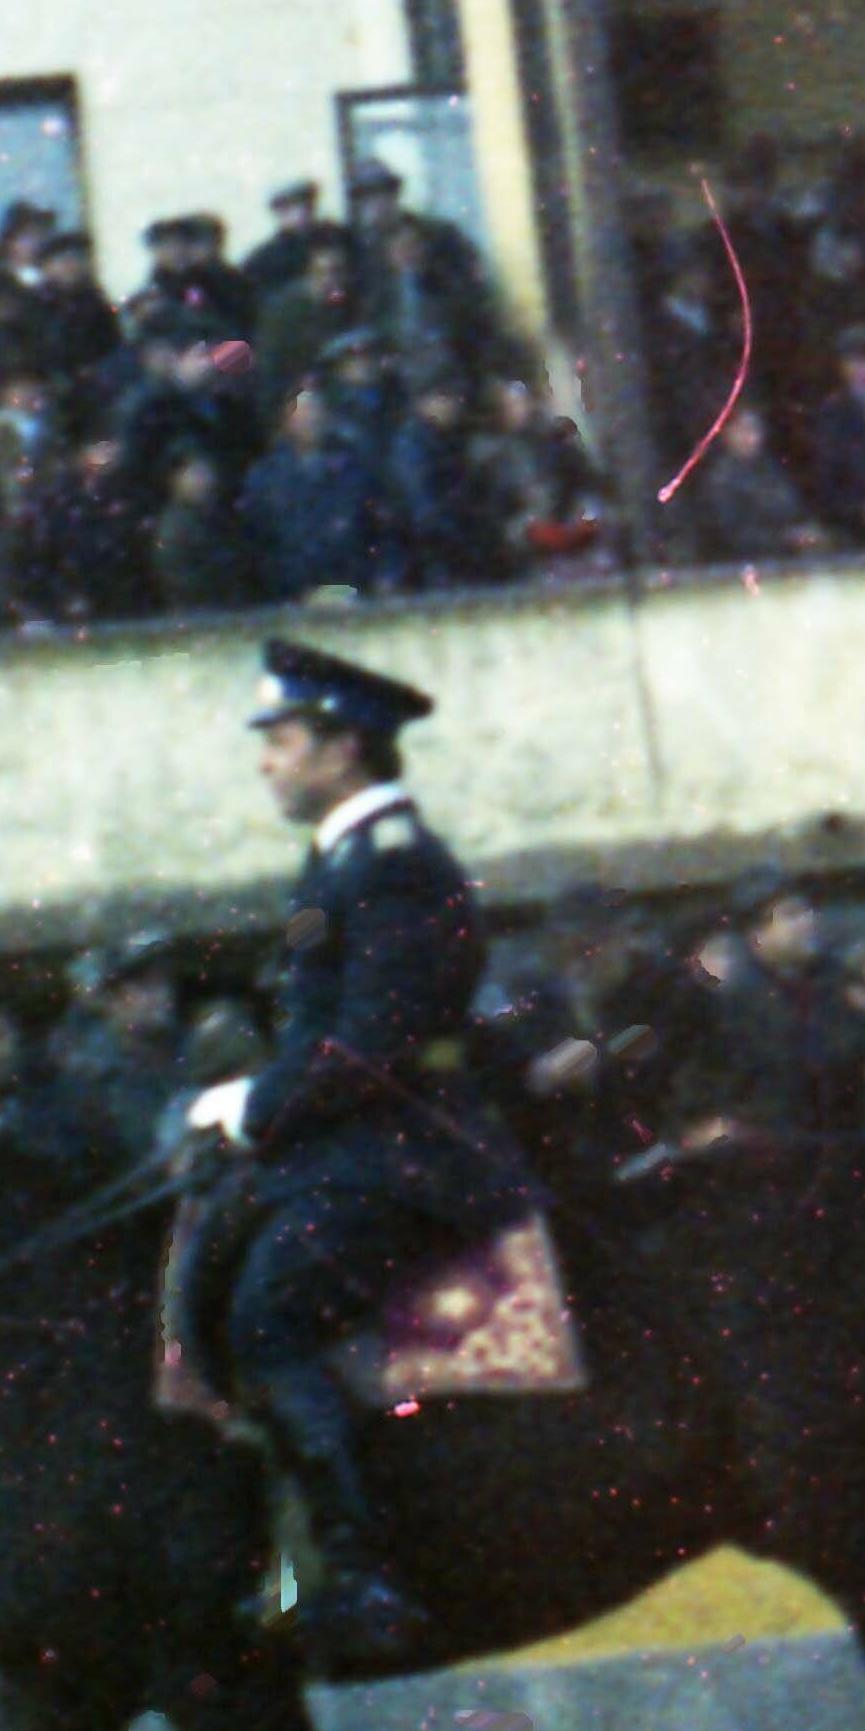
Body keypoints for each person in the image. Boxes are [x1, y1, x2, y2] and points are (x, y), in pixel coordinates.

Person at [180, 641, 537, 1678]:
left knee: (268, 1316)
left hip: (405, 1154)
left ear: (342, 747)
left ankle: (359, 1572)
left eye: (283, 739)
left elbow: (370, 1043)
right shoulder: (343, 860)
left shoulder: (393, 864)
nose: (267, 761)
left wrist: (253, 1105)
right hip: (353, 1145)